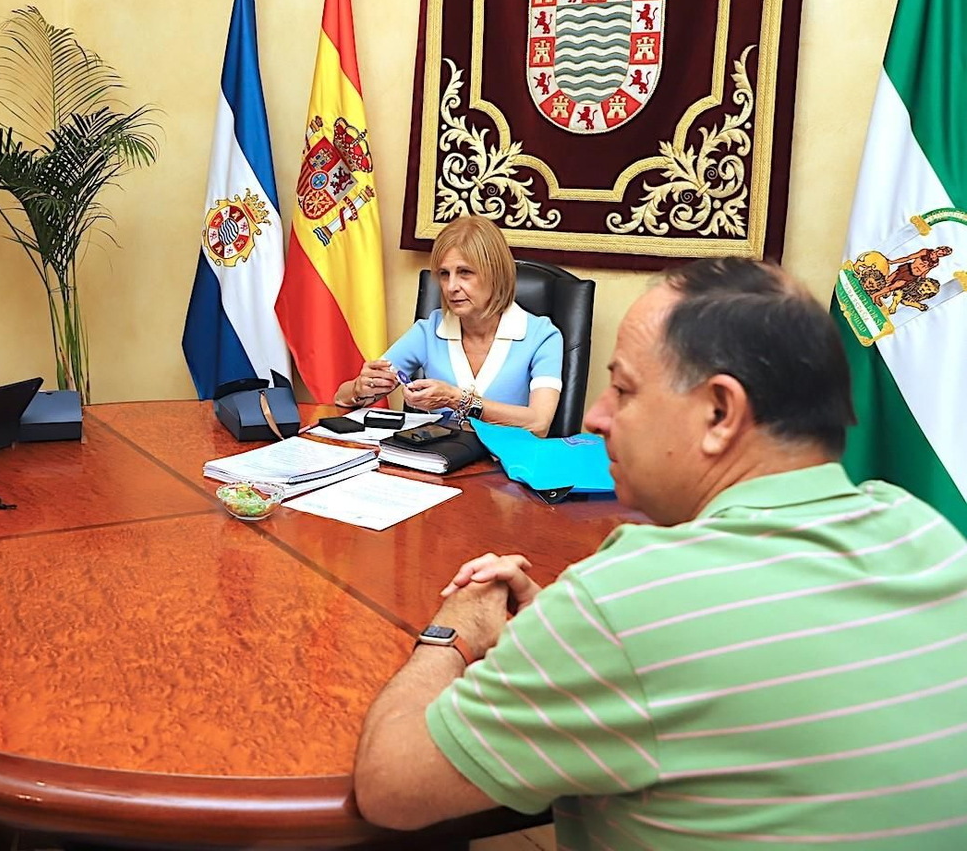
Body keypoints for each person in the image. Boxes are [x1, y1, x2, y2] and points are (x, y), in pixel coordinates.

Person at [352, 258, 967, 847]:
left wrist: (452, 634)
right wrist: (568, 635)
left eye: (622, 389)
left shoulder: (629, 602)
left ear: (720, 412)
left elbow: (392, 787)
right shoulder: (930, 535)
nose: (595, 418)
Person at [337, 214, 562, 435]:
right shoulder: (429, 330)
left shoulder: (542, 336)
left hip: (506, 466)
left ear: (496, 274)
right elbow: (340, 396)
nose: (451, 286)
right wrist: (360, 388)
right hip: (438, 462)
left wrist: (457, 400)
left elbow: (539, 424)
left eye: (465, 272)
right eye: (445, 274)